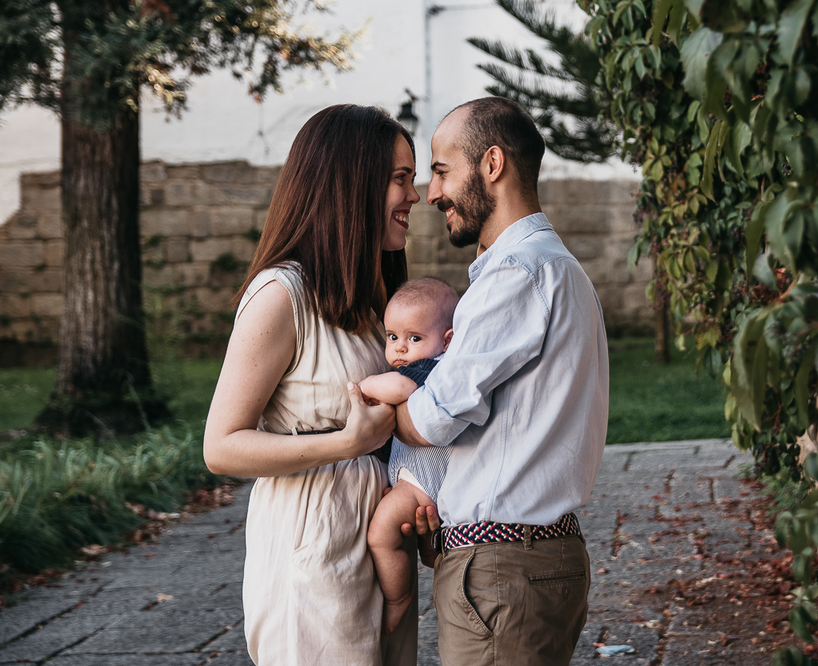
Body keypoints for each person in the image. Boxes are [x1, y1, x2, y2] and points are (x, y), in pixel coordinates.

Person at [352, 96, 610, 666]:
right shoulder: (555, 268)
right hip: (528, 560)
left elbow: (432, 420)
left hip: (503, 570)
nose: (432, 193)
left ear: (492, 164)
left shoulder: (516, 273)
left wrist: (389, 399)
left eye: (442, 171)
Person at [203, 104, 430, 666]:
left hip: (380, 546)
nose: (415, 195)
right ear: (353, 185)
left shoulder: (377, 301)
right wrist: (346, 443)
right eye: (400, 178)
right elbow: (221, 446)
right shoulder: (281, 295)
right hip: (314, 549)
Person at [359, 278, 458, 636]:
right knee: (427, 542)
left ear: (447, 340)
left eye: (414, 338)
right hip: (425, 481)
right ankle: (433, 561)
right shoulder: (442, 369)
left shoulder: (430, 368)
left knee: (380, 536)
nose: (400, 347)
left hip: (420, 484)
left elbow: (401, 388)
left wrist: (364, 386)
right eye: (392, 337)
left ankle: (398, 597)